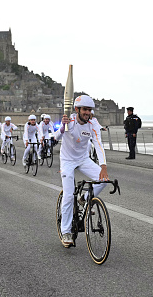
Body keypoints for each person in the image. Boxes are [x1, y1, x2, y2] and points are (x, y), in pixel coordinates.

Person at [54, 95, 109, 247]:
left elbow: (98, 144)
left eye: (90, 110)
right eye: (85, 109)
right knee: (68, 194)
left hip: (83, 159)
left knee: (104, 180)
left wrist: (103, 166)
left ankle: (84, 199)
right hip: (67, 161)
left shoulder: (93, 123)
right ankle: (66, 232)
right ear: (77, 109)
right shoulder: (69, 121)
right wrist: (61, 128)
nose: (88, 113)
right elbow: (56, 137)